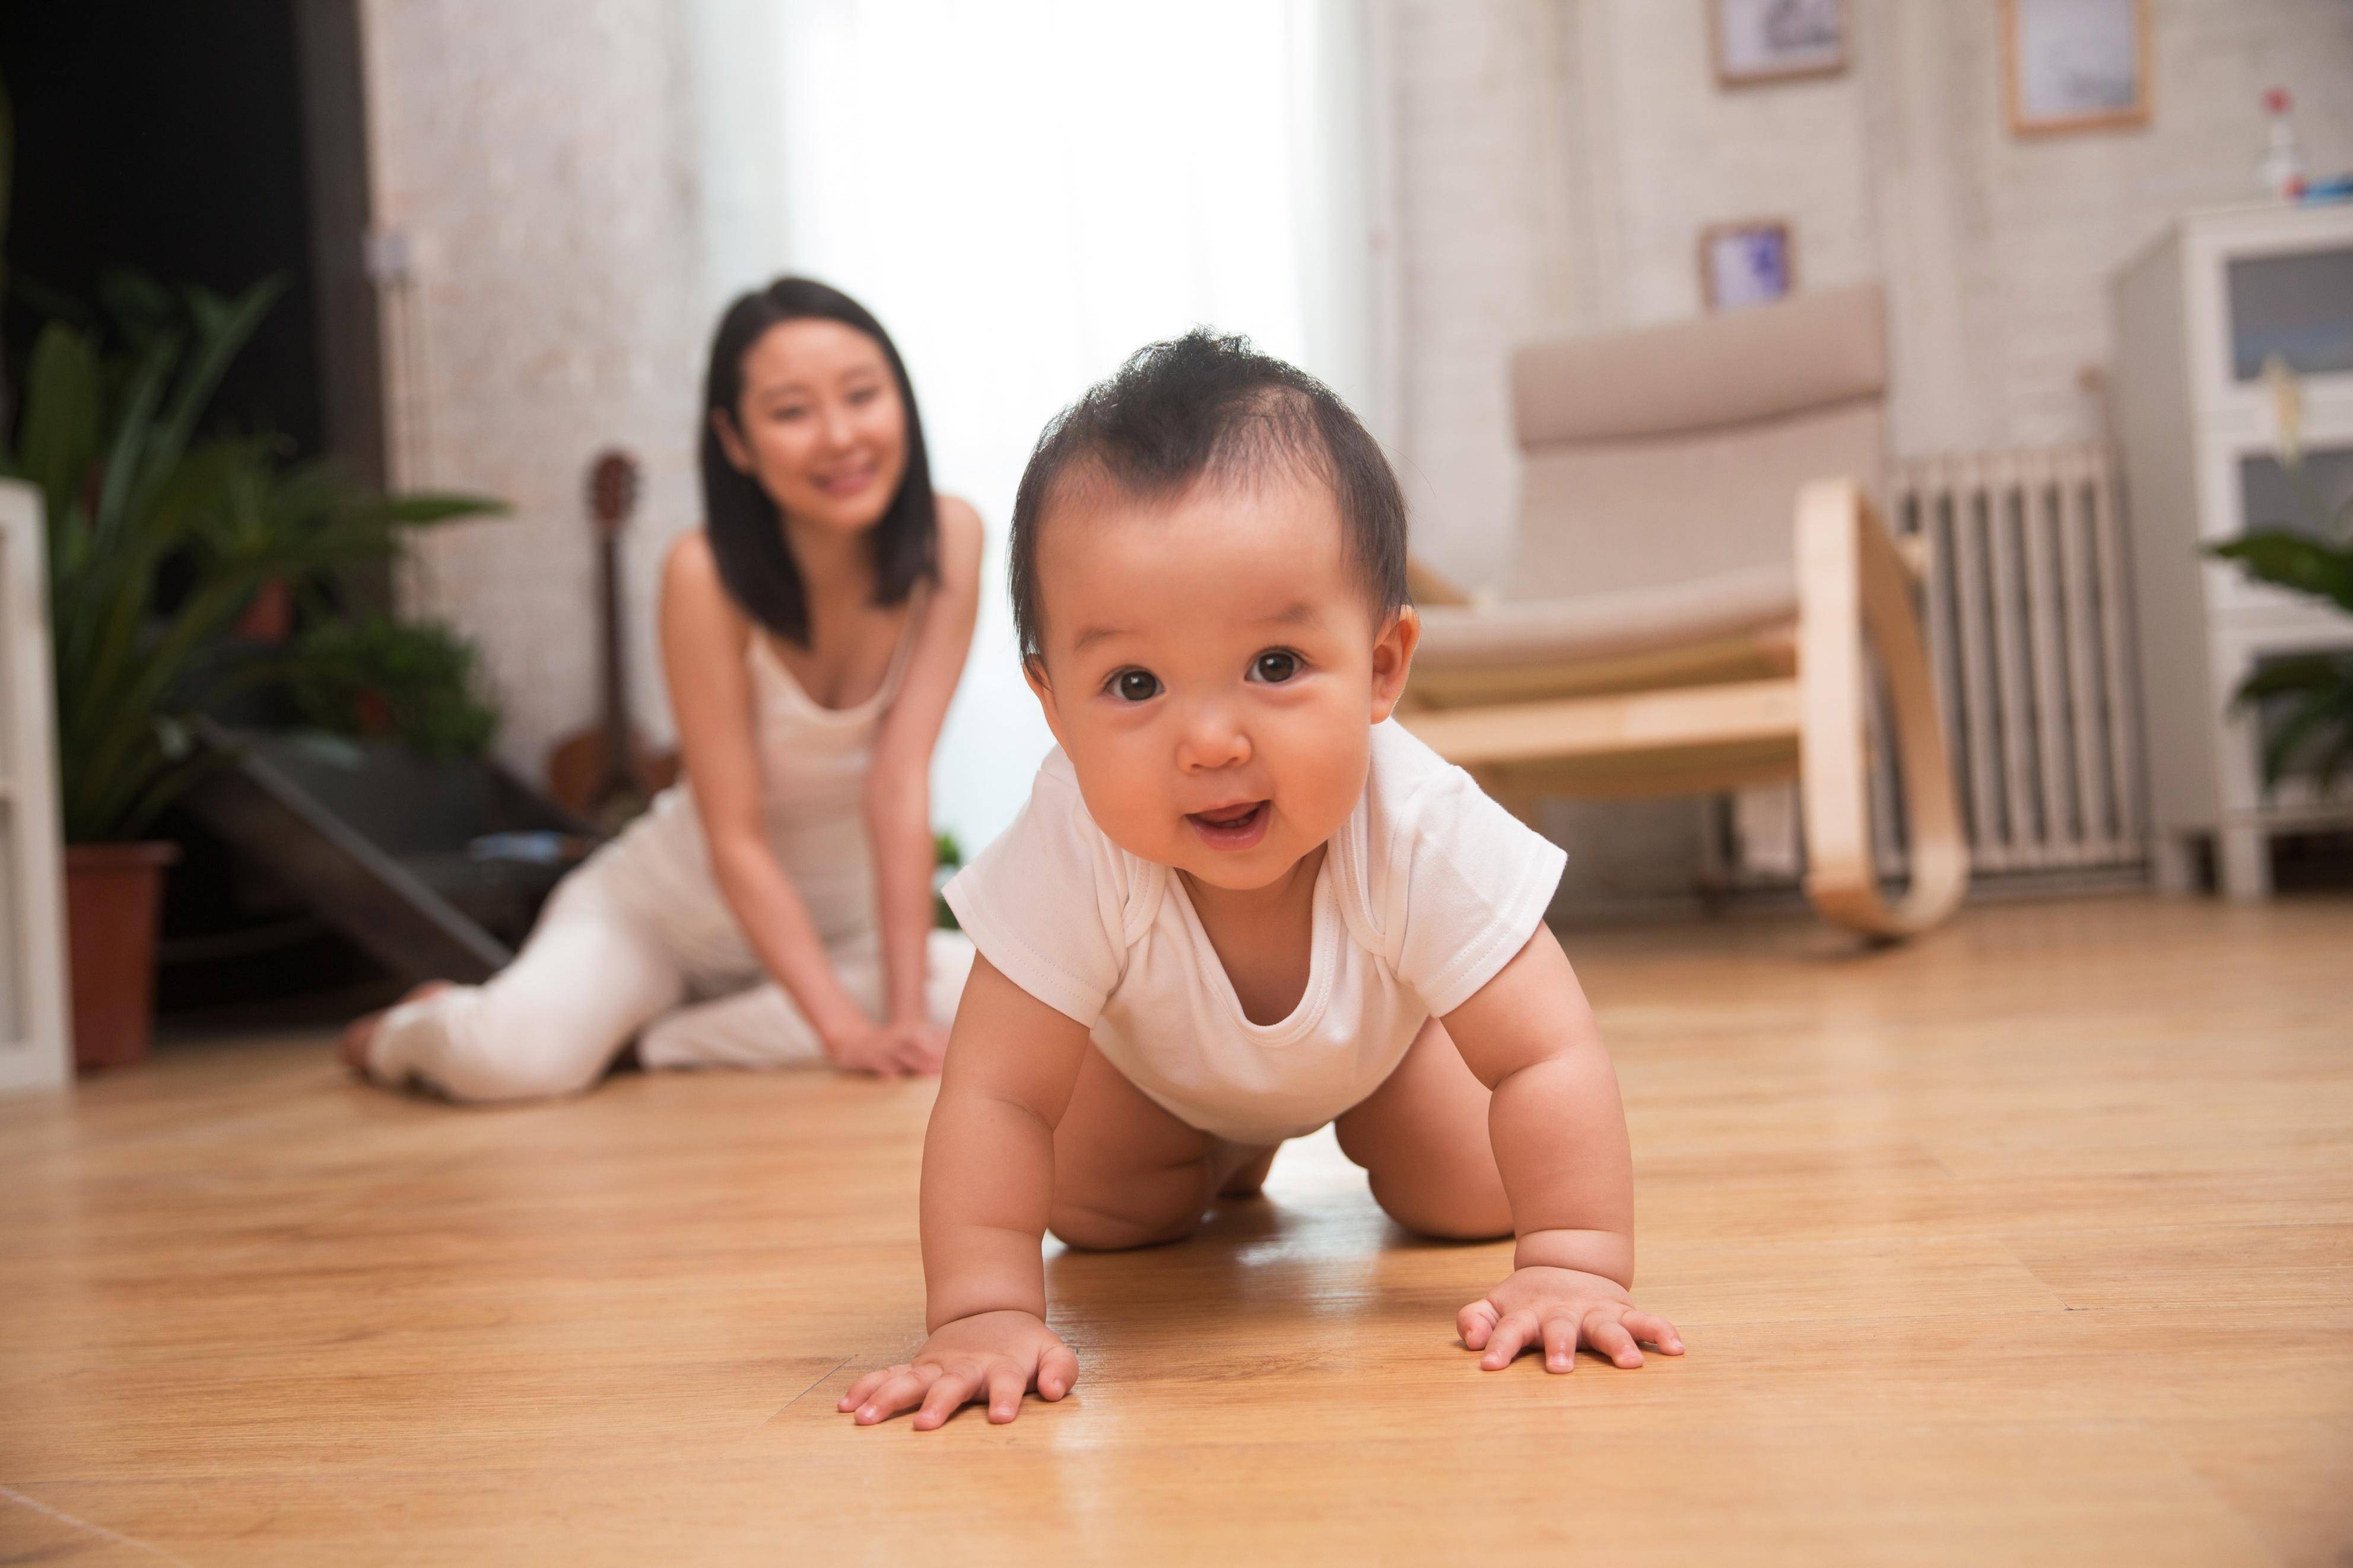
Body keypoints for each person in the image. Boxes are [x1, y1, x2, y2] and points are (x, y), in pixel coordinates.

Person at [839, 331, 1682, 1430]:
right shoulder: (1073, 839)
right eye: (1134, 682)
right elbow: (995, 1093)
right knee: (1098, 1210)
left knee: (1470, 1193)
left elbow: (1546, 1049)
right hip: (1149, 1073)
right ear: (1053, 709)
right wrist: (980, 1311)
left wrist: (1574, 1262)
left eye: (1274, 668)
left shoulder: (1415, 822)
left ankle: (1315, 1128)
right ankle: (1217, 1149)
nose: (1209, 742)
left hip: (1381, 1053)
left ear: (1381, 667)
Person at [341, 278, 983, 1099]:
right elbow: (734, 838)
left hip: (840, 937)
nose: (840, 437)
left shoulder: (950, 538)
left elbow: (899, 786)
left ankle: (653, 1041)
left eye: (863, 396)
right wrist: (842, 1035)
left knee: (1005, 996)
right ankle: (410, 1027)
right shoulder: (704, 574)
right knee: (510, 1065)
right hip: (667, 920)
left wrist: (899, 1020)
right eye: (791, 412)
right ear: (736, 441)